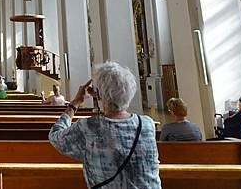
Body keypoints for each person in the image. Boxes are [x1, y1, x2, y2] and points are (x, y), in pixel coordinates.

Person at [49, 61, 161, 189]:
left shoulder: (88, 128)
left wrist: (75, 103)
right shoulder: (147, 124)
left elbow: (55, 136)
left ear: (99, 94)